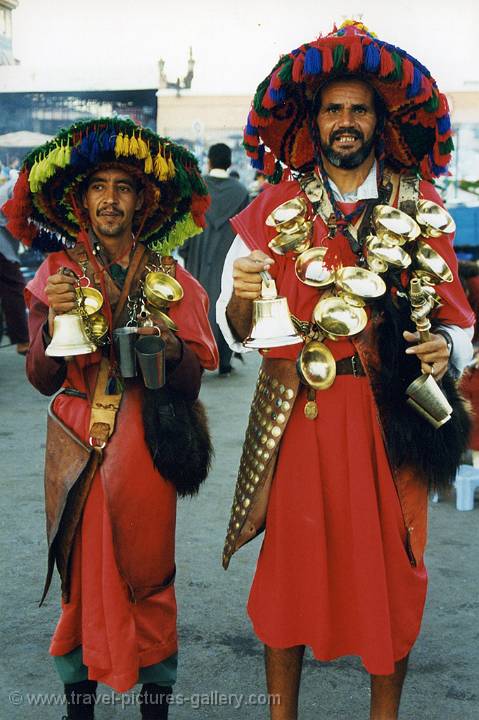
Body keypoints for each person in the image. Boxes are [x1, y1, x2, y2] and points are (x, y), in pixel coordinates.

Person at [217, 21, 474, 720]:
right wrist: (240, 300)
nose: (345, 121)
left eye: (358, 109)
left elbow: (456, 321)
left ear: (378, 120)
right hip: (300, 416)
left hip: (390, 419)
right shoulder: (269, 210)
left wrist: (443, 350)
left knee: (393, 575)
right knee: (288, 579)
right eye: (332, 109)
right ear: (312, 121)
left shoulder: (419, 209)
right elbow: (237, 337)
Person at [3, 118, 218, 719]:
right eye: (98, 186)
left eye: (123, 187)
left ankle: (156, 710)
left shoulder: (173, 278)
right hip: (75, 446)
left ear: (142, 201)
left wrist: (170, 348)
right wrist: (50, 325)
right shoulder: (56, 274)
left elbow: (197, 374)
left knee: (149, 578)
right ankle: (79, 710)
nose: (110, 199)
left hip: (147, 450)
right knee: (78, 582)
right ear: (80, 200)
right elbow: (42, 379)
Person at [180, 143, 248, 375]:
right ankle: (225, 359)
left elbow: (187, 223)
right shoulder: (240, 192)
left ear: (209, 161)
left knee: (199, 302)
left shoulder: (199, 189)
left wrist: (187, 250)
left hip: (200, 253)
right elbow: (246, 233)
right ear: (229, 163)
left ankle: (200, 354)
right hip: (227, 254)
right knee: (226, 299)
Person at [0, 168, 29, 354]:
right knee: (15, 287)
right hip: (2, 248)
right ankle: (22, 340)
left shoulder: (11, 186)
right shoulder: (14, 188)